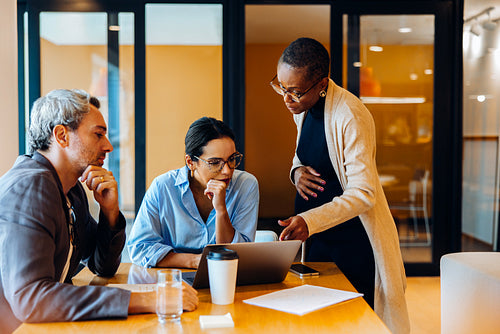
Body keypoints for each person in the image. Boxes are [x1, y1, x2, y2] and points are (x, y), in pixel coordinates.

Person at [0, 89, 198, 333]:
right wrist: (150, 299)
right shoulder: (31, 187)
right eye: (98, 134)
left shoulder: (70, 190)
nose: (109, 146)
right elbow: (30, 297)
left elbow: (101, 265)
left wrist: (110, 211)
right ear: (61, 136)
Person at [270, 38, 410, 334]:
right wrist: (296, 172)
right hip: (319, 238)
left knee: (353, 323)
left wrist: (309, 220)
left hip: (353, 242)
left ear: (321, 84)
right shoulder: (304, 109)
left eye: (294, 91)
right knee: (321, 321)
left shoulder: (350, 115)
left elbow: (364, 193)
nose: (286, 98)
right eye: (281, 86)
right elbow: (305, 153)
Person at [127, 117, 259, 269]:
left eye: (232, 159)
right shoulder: (163, 187)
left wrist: (221, 210)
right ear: (190, 162)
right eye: (215, 163)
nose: (227, 171)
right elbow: (140, 248)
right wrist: (195, 261)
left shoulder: (245, 185)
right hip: (173, 282)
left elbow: (236, 255)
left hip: (227, 278)